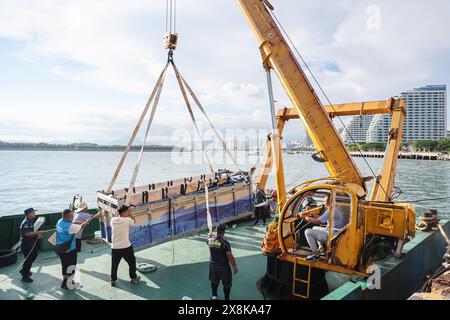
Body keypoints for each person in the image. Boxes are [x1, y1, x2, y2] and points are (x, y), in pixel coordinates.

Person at [303, 195, 348, 262]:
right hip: (337, 232)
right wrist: (313, 216)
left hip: (332, 236)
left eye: (326, 201)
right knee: (314, 228)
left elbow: (317, 221)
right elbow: (323, 217)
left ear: (331, 201)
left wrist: (305, 217)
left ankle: (316, 255)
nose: (324, 203)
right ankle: (321, 249)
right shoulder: (339, 207)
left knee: (307, 232)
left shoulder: (332, 210)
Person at [56, 208, 91, 289]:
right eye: (72, 215)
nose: (73, 216)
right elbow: (80, 227)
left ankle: (64, 282)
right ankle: (69, 283)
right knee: (71, 267)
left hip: (61, 248)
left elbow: (73, 223)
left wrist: (81, 222)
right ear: (68, 216)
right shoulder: (70, 227)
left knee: (64, 266)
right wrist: (85, 222)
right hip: (70, 250)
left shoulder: (60, 222)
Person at [110, 205, 140, 287]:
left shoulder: (113, 220)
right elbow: (134, 221)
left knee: (114, 264)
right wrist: (130, 213)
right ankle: (133, 278)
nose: (128, 212)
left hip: (115, 247)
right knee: (132, 262)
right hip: (126, 246)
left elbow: (118, 217)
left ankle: (113, 280)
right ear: (124, 212)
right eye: (127, 211)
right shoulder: (128, 220)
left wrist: (125, 211)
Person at [207, 224, 238, 300]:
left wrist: (211, 236)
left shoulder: (209, 240)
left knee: (214, 281)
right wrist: (234, 266)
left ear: (216, 231)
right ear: (223, 232)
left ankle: (214, 295)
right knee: (227, 284)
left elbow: (209, 240)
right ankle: (226, 298)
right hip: (223, 267)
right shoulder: (225, 243)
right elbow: (230, 256)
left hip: (212, 266)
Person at [19, 208, 44, 283]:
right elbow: (27, 234)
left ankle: (24, 270)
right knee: (28, 260)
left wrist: (37, 235)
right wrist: (38, 232)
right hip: (27, 244)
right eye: (33, 212)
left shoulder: (29, 221)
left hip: (31, 242)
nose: (34, 214)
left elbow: (30, 232)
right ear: (29, 214)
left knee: (34, 255)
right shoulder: (26, 223)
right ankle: (25, 276)